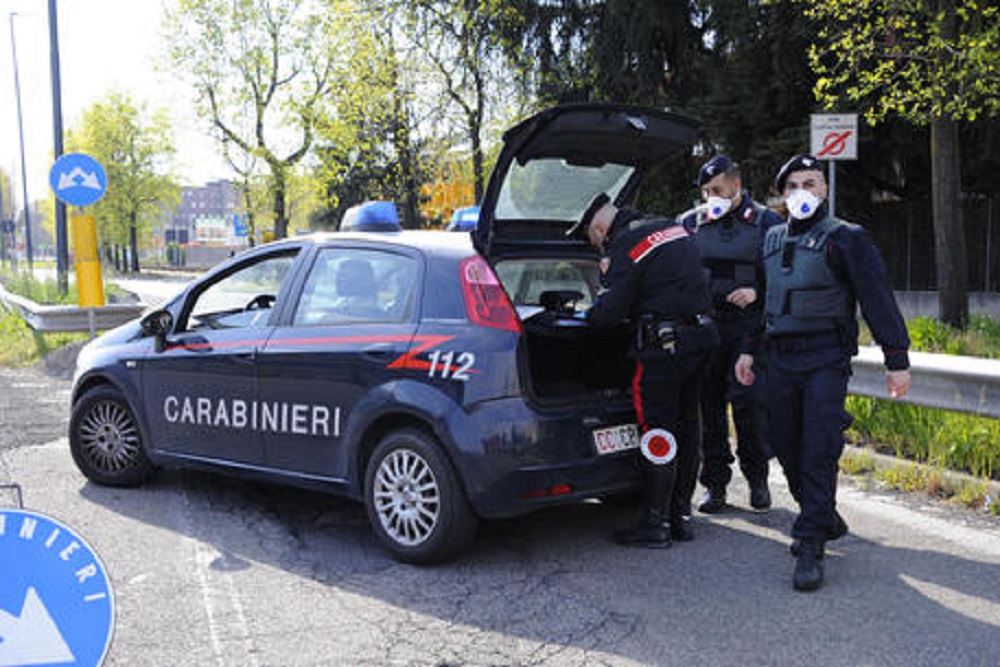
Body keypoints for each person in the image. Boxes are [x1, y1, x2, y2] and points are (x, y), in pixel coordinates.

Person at [734, 154, 911, 591]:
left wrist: (896, 358)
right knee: (783, 443)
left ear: (825, 190)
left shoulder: (846, 238)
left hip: (825, 360)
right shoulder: (771, 239)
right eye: (792, 185)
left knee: (818, 446)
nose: (802, 193)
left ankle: (810, 539)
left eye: (810, 183)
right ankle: (823, 515)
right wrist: (746, 352)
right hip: (778, 358)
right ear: (781, 193)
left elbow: (876, 297)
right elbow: (763, 303)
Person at [570, 192, 719, 548]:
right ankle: (681, 517)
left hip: (662, 351)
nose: (597, 245)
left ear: (599, 225)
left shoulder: (626, 244)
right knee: (688, 427)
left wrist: (585, 315)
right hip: (701, 340)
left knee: (657, 432)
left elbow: (607, 314)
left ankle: (654, 523)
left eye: (593, 238)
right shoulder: (671, 227)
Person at [683, 155, 783, 514]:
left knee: (750, 408)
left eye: (717, 190)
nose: (711, 196)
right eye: (706, 191)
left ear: (736, 186)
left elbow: (785, 276)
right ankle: (715, 486)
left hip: (749, 331)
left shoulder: (767, 222)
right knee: (708, 410)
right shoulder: (690, 224)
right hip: (707, 328)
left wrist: (758, 290)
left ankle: (757, 480)